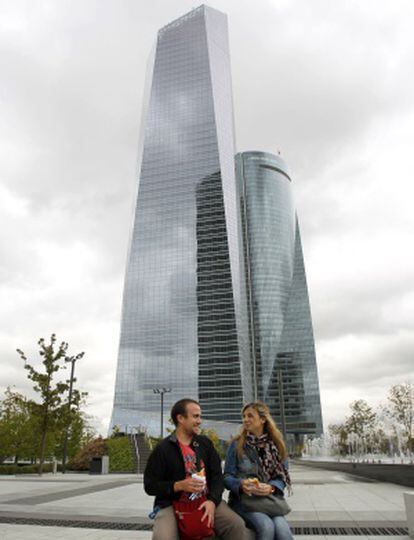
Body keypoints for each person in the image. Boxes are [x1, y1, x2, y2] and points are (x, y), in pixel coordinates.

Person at [144, 398, 249, 540]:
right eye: (195, 416)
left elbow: (218, 476)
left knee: (236, 525)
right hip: (172, 504)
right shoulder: (163, 449)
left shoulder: (205, 443)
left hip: (205, 499)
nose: (199, 421)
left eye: (200, 416)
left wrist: (212, 501)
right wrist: (178, 485)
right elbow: (150, 486)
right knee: (163, 537)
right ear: (180, 418)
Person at [224, 402, 293, 540]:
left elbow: (282, 477)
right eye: (243, 416)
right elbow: (226, 477)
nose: (245, 420)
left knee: (283, 531)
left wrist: (271, 487)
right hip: (245, 503)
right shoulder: (236, 445)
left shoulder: (277, 445)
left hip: (269, 501)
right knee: (266, 527)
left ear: (263, 419)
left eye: (250, 416)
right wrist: (241, 484)